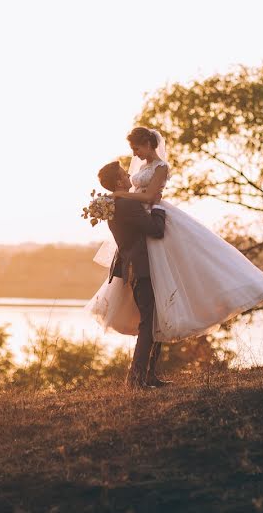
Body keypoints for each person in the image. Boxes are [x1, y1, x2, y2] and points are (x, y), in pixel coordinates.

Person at [85, 127, 263, 366]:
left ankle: (145, 375)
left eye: (136, 149)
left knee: (170, 292)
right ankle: (141, 376)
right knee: (152, 315)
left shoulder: (159, 169)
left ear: (147, 143)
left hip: (154, 215)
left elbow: (151, 198)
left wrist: (121, 197)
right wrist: (121, 198)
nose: (135, 155)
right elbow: (139, 207)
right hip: (144, 233)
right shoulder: (132, 188)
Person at [95, 160, 167, 389]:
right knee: (148, 322)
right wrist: (159, 208)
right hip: (141, 267)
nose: (129, 175)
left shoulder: (114, 204)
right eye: (125, 174)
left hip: (133, 266)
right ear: (119, 182)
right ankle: (136, 378)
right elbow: (156, 230)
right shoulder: (127, 204)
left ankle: (148, 376)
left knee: (152, 320)